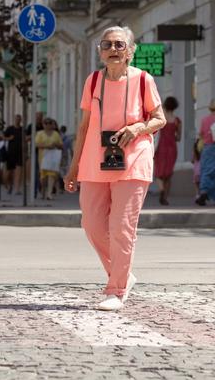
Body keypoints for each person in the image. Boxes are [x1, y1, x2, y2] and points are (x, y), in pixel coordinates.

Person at [64, 26, 166, 311]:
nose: (113, 49)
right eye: (106, 44)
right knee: (93, 225)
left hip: (134, 158)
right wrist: (73, 168)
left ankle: (116, 289)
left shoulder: (144, 80)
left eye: (119, 45)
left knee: (121, 226)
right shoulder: (94, 81)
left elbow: (160, 119)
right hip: (95, 160)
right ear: (100, 51)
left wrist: (137, 128)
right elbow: (84, 126)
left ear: (131, 51)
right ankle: (123, 273)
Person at [153, 96, 181, 206]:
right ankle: (165, 198)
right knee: (168, 175)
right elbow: (178, 138)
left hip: (161, 148)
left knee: (159, 174)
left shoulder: (161, 119)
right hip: (172, 148)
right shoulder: (177, 121)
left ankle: (161, 190)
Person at [35, 117, 64, 200]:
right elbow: (37, 144)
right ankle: (43, 191)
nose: (48, 125)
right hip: (43, 157)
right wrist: (47, 146)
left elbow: (61, 145)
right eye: (46, 123)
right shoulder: (40, 133)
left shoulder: (55, 134)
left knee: (52, 175)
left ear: (52, 124)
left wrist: (56, 145)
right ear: (43, 125)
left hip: (53, 157)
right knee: (43, 177)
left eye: (50, 123)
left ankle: (49, 193)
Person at [3, 115, 24, 194]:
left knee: (19, 171)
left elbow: (25, 139)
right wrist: (9, 138)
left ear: (21, 120)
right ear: (14, 120)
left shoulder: (22, 130)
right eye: (16, 119)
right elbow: (2, 136)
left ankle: (17, 189)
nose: (18, 121)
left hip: (20, 152)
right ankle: (9, 185)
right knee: (9, 172)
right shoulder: (10, 129)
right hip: (10, 153)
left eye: (19, 119)